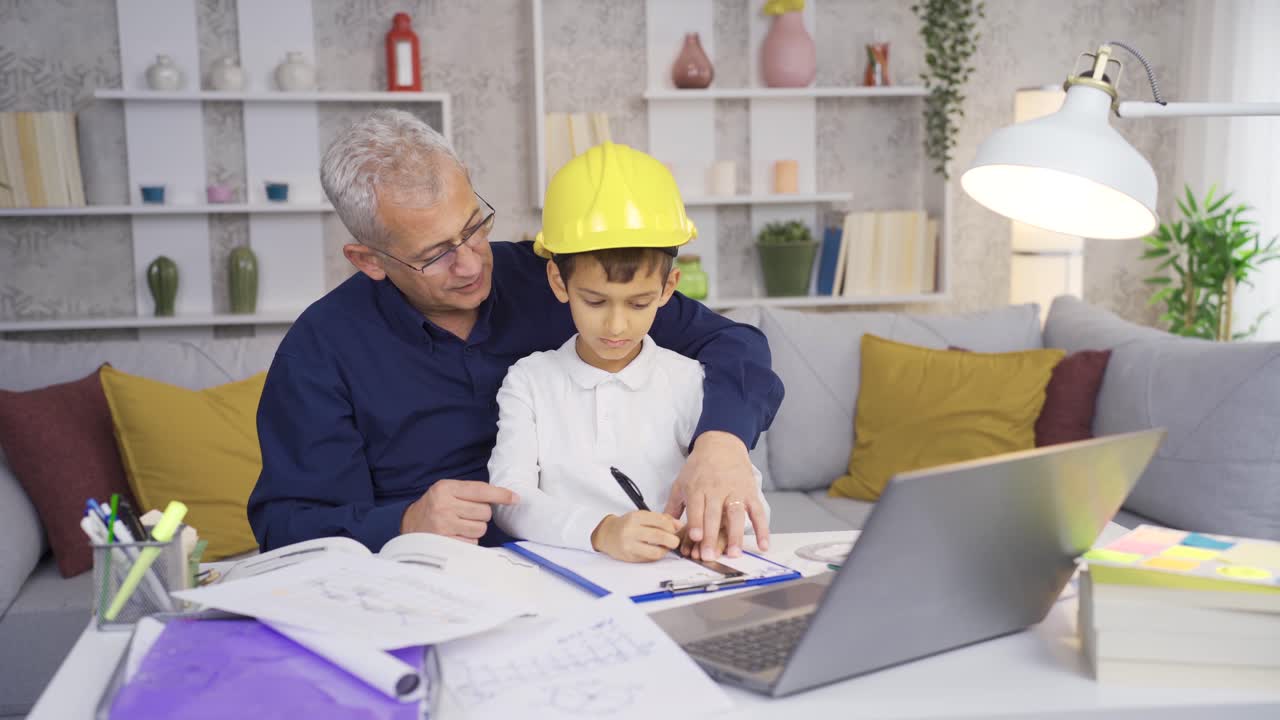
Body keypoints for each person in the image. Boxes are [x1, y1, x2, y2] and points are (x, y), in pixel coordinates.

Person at [247, 109, 784, 560]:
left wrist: (722, 441)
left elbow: (735, 344)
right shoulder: (321, 349)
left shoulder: (560, 278)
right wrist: (404, 520)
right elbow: (288, 525)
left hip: (590, 561)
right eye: (435, 254)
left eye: (474, 226)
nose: (469, 264)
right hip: (433, 577)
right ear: (369, 261)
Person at [488, 143, 768, 562]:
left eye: (639, 304)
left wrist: (717, 521)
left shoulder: (691, 380)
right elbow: (509, 500)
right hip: (564, 582)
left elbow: (746, 498)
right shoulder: (529, 381)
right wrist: (601, 531)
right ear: (559, 283)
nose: (617, 326)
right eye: (595, 302)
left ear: (669, 288)